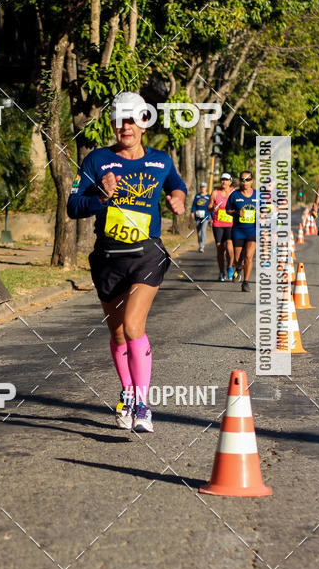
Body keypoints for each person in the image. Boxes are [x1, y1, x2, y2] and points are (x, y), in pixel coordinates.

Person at [67, 91, 187, 433]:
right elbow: (73, 207)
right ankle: (129, 391)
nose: (126, 126)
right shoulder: (96, 161)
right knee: (118, 333)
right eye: (120, 120)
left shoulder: (161, 161)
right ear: (113, 123)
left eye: (132, 119)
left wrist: (178, 199)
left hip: (146, 254)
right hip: (108, 257)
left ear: (144, 122)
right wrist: (101, 196)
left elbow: (177, 187)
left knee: (134, 326)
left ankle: (143, 404)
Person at [225, 170, 259, 292]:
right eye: (242, 179)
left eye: (247, 180)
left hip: (252, 230)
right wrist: (236, 212)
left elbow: (264, 210)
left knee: (248, 256)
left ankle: (245, 282)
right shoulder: (235, 195)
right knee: (238, 259)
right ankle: (238, 269)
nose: (244, 182)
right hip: (238, 230)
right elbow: (227, 210)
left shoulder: (258, 195)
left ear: (252, 181)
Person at [208, 173, 235, 281]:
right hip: (218, 224)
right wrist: (212, 208)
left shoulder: (234, 193)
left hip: (231, 224)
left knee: (229, 246)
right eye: (222, 179)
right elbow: (208, 207)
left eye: (226, 180)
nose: (224, 182)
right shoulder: (215, 193)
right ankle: (221, 271)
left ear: (230, 182)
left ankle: (229, 267)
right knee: (219, 248)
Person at [191, 181, 210, 252]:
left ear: (206, 188)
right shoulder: (197, 196)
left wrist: (212, 216)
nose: (203, 188)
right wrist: (192, 212)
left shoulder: (208, 196)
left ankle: (202, 246)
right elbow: (194, 205)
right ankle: (200, 245)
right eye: (201, 187)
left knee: (203, 231)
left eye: (204, 187)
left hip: (205, 217)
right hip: (198, 216)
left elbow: (210, 206)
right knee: (199, 232)